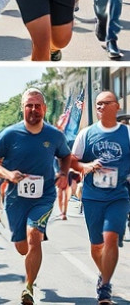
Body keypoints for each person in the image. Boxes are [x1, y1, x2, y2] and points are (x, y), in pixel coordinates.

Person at [0, 88, 71, 305]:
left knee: (34, 236)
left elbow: (65, 155)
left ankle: (28, 287)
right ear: (22, 108)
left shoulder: (54, 135)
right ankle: (30, 247)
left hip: (44, 196)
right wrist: (8, 175)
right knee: (22, 246)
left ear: (44, 108)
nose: (33, 109)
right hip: (16, 199)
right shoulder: (9, 134)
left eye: (37, 105)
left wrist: (63, 174)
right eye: (29, 105)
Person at [71, 91, 130, 305]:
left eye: (105, 103)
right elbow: (72, 161)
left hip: (118, 195)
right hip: (92, 197)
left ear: (117, 106)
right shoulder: (86, 134)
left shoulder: (127, 133)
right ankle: (103, 274)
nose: (101, 107)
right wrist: (87, 166)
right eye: (98, 104)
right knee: (97, 245)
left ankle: (105, 288)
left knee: (111, 237)